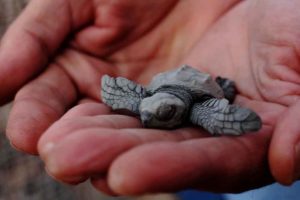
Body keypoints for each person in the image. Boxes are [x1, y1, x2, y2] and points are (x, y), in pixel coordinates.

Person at [0, 0, 299, 196]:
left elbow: (218, 111)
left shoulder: (200, 109)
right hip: (169, 92)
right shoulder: (146, 102)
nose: (148, 118)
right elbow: (129, 97)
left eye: (161, 114)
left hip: (201, 88)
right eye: (147, 113)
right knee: (188, 177)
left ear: (179, 110)